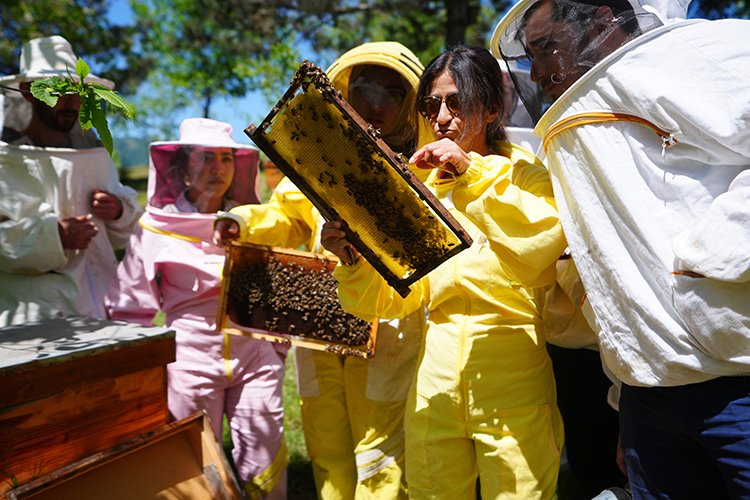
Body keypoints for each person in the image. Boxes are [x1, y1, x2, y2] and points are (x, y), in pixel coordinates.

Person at [493, 1, 750, 498]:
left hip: (739, 386)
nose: (540, 69)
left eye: (546, 48)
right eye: (530, 55)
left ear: (603, 19)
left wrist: (712, 256)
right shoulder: (569, 129)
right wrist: (624, 402)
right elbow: (615, 275)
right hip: (646, 405)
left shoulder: (699, 54)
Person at [321, 45, 568, 499]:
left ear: (492, 106)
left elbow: (539, 248)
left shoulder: (526, 173)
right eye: (432, 104)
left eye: (456, 101)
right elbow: (394, 298)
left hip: (512, 359)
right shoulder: (419, 188)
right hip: (434, 369)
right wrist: (354, 260)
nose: (442, 116)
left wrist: (469, 172)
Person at [213, 41, 431, 499]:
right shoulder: (316, 159)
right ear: (345, 88)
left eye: (394, 92)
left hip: (386, 325)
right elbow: (284, 215)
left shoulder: (419, 169)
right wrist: (240, 220)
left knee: (379, 442)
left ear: (411, 103)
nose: (377, 103)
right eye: (367, 86)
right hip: (319, 328)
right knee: (326, 433)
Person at [105, 118, 288, 499]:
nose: (217, 169)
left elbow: (273, 290)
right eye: (205, 158)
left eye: (225, 159)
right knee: (195, 464)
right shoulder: (155, 226)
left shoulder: (253, 220)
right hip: (189, 360)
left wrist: (276, 349)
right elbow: (129, 306)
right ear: (183, 168)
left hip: (255, 356)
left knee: (265, 454)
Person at [0, 35, 141, 326]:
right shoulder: (5, 162)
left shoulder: (96, 155)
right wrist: (55, 236)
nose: (72, 102)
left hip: (105, 305)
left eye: (78, 91)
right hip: (36, 320)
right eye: (59, 91)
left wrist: (117, 210)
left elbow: (126, 233)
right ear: (28, 91)